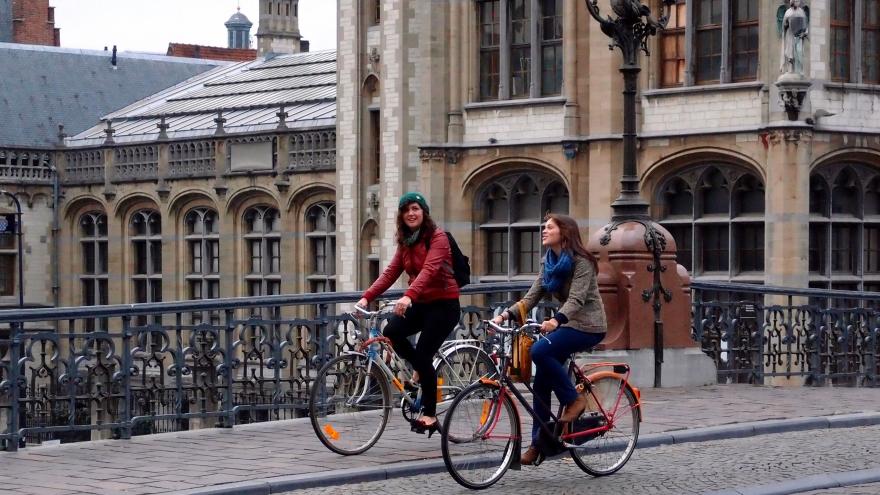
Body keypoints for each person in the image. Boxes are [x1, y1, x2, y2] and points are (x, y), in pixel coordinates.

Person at [492, 213, 607, 465]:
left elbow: (576, 299)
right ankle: (539, 443)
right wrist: (506, 315)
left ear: (564, 232)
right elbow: (532, 295)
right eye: (544, 226)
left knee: (539, 352)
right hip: (567, 324)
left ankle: (574, 400)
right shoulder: (550, 262)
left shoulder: (582, 262)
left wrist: (556, 320)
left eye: (549, 227)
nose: (543, 231)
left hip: (588, 325)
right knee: (541, 385)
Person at [356, 192, 461, 437]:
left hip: (444, 305)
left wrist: (408, 296)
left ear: (423, 212)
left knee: (423, 355)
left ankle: (430, 415)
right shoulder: (406, 241)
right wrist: (366, 296)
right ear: (401, 216)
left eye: (415, 208)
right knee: (391, 331)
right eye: (406, 210)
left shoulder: (438, 238)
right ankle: (421, 369)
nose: (411, 214)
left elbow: (429, 270)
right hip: (421, 303)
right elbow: (391, 272)